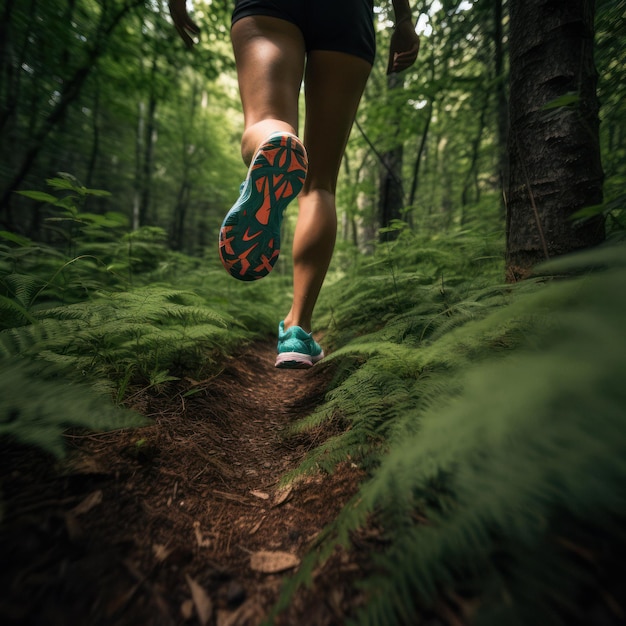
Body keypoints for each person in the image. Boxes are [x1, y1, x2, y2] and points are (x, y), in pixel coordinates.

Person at [169, 0, 420, 368]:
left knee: (267, 119)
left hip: (269, 7)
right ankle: (297, 329)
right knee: (319, 185)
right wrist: (404, 20)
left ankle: (271, 141)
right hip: (348, 14)